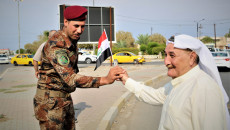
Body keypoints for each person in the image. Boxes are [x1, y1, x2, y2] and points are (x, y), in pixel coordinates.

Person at [33, 5, 125, 130]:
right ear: (65, 22)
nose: (80, 30)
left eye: (83, 26)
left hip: (64, 98)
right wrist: (104, 80)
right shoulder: (56, 45)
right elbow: (71, 78)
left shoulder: (71, 41)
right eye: (76, 26)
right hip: (50, 103)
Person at [120, 34, 230, 130]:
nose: (166, 61)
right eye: (166, 55)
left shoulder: (205, 89)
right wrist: (126, 80)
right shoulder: (179, 83)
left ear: (192, 57)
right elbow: (155, 95)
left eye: (172, 55)